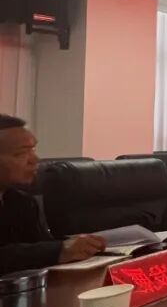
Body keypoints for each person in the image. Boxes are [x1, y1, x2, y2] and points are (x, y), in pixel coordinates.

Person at [0, 115, 104, 274]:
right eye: (21, 153)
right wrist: (58, 250)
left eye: (33, 150)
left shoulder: (22, 201)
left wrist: (81, 246)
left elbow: (39, 246)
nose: (35, 160)